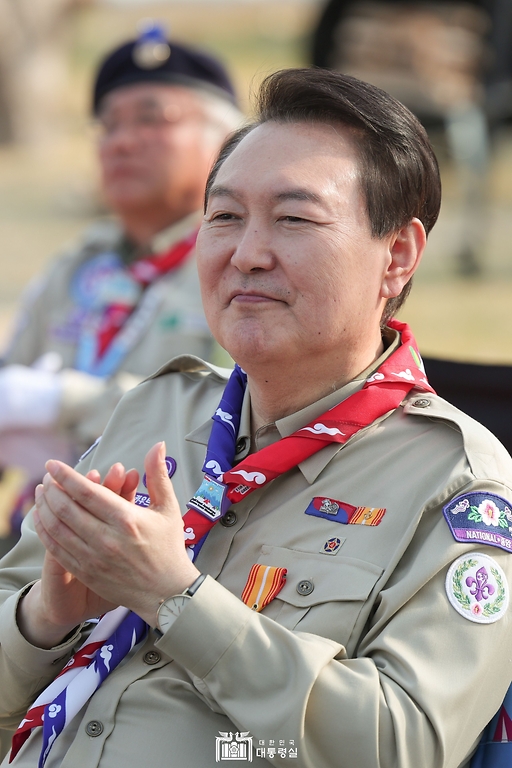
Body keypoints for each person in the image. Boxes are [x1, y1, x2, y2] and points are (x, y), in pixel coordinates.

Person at [0, 67, 511, 768]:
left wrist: (176, 597)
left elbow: (400, 748)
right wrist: (45, 617)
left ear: (396, 256)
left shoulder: (457, 482)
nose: (247, 255)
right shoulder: (159, 408)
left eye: (295, 219)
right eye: (226, 217)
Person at [0, 23, 242, 522]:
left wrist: (64, 405)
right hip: (39, 533)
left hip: (177, 537)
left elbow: (233, 411)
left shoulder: (241, 261)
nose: (122, 142)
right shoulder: (81, 260)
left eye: (153, 120)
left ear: (226, 146)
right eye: (108, 126)